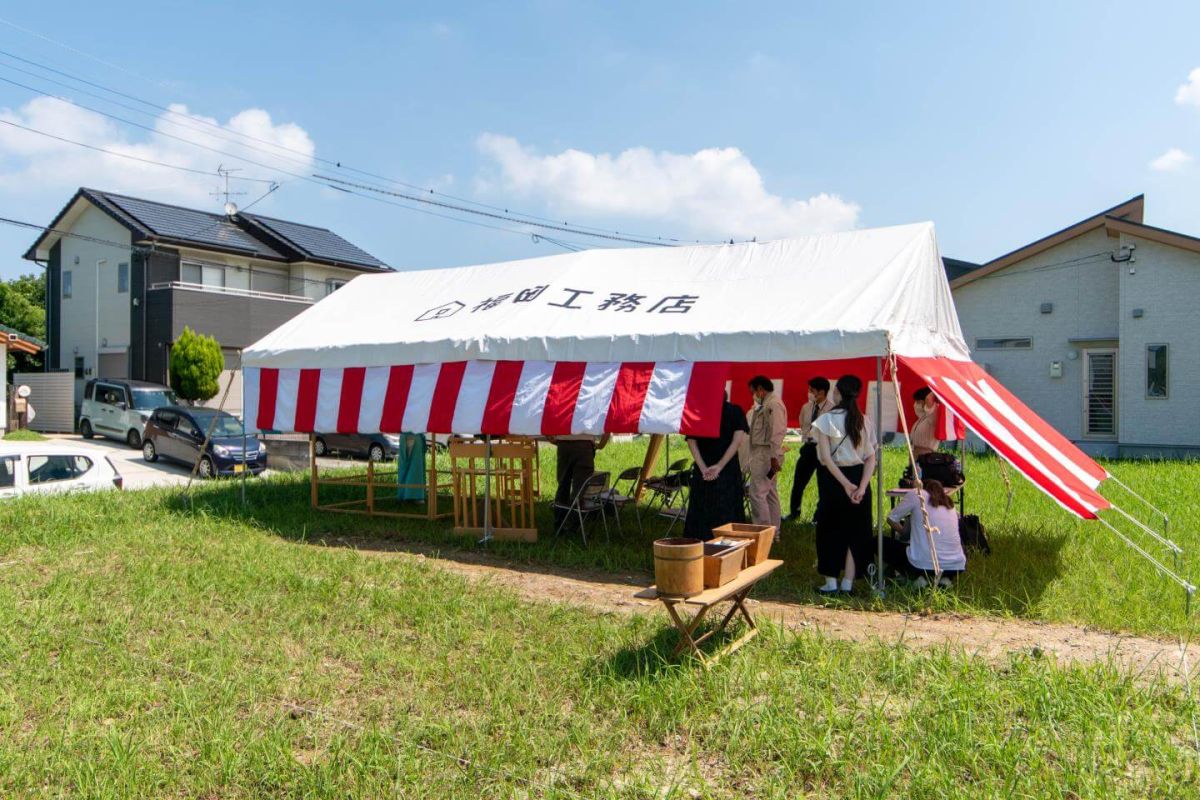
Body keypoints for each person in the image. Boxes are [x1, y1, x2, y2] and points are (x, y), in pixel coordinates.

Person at [812, 375, 877, 595]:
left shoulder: (825, 420)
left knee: (830, 530)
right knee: (856, 533)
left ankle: (830, 583)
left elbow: (825, 459)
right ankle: (848, 584)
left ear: (837, 393)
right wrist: (861, 486)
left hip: (834, 480)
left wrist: (845, 484)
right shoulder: (864, 420)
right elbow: (871, 457)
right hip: (860, 479)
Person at [684, 395, 749, 541]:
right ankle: (730, 545)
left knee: (701, 511)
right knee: (728, 511)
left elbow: (691, 442)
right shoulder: (736, 411)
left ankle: (699, 544)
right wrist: (719, 466)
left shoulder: (698, 411)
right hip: (727, 470)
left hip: (705, 470)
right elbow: (737, 442)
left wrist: (703, 468)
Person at [884, 479, 966, 588]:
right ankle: (945, 579)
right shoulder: (949, 504)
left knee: (879, 541)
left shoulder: (918, 494)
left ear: (924, 489)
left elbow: (891, 518)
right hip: (956, 566)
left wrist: (903, 532)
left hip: (922, 564)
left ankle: (916, 578)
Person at [787, 377, 834, 523]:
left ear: (821, 392)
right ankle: (794, 512)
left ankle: (818, 517)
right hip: (808, 448)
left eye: (811, 390)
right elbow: (803, 425)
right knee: (798, 482)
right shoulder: (806, 407)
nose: (809, 393)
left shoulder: (831, 409)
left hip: (823, 450)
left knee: (823, 484)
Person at [745, 376, 787, 535]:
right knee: (769, 493)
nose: (754, 395)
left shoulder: (773, 404)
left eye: (754, 391)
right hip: (766, 453)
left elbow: (777, 432)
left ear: (761, 389)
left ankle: (763, 532)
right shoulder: (768, 404)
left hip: (766, 453)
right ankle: (773, 532)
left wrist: (774, 456)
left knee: (757, 493)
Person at [551, 433, 610, 529]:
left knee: (563, 485)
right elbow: (607, 424)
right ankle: (575, 524)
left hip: (564, 443)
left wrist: (551, 438)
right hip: (584, 445)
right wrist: (601, 445)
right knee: (580, 488)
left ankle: (560, 522)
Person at [909, 387, 941, 458]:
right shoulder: (923, 417)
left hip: (926, 453)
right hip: (915, 451)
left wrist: (936, 387)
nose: (915, 404)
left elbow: (929, 398)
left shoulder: (933, 414)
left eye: (918, 402)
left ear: (925, 402)